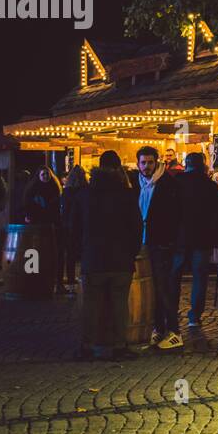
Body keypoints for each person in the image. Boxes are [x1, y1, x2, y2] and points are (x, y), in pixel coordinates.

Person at [79, 150, 142, 360]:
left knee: (91, 305)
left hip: (93, 258)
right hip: (120, 258)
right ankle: (118, 345)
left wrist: (80, 252)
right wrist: (132, 252)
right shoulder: (126, 194)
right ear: (118, 169)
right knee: (119, 304)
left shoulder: (87, 193)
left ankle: (88, 345)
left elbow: (74, 225)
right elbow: (136, 226)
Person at [171, 151, 218, 343]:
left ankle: (172, 310)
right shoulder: (210, 186)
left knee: (174, 276)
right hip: (202, 239)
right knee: (200, 278)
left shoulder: (176, 185)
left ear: (187, 165)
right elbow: (217, 213)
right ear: (202, 165)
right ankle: (194, 317)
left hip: (179, 239)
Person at [135, 145, 182, 350]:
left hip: (162, 243)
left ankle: (174, 331)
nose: (146, 166)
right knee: (152, 288)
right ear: (138, 164)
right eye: (143, 162)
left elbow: (176, 215)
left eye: (150, 162)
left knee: (165, 287)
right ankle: (158, 328)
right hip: (143, 242)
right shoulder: (136, 184)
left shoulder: (169, 184)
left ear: (157, 162)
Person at [24, 166, 65, 294]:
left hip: (53, 224)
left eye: (47, 174)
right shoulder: (32, 190)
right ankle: (33, 281)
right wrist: (29, 216)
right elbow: (27, 205)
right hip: (37, 224)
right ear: (39, 176)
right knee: (34, 253)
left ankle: (58, 282)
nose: (46, 177)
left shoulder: (55, 189)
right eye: (43, 174)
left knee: (56, 253)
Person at [61, 165, 87, 293]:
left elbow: (64, 210)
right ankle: (83, 280)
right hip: (83, 226)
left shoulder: (67, 191)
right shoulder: (86, 190)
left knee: (70, 256)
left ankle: (71, 282)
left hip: (70, 226)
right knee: (83, 254)